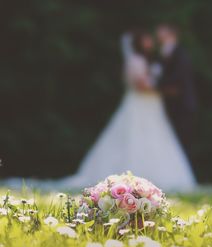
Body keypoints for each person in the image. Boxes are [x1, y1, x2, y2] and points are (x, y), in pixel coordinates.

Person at [58, 30, 196, 191]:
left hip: (152, 105)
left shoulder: (150, 60)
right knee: (134, 135)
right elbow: (140, 85)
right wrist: (162, 88)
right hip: (140, 104)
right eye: (146, 39)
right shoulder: (135, 61)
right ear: (138, 42)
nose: (150, 42)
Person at [156, 24, 197, 154]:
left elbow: (178, 77)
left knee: (180, 143)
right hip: (169, 104)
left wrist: (155, 85)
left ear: (170, 34)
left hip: (181, 104)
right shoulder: (162, 53)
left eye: (161, 31)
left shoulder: (180, 53)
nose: (157, 34)